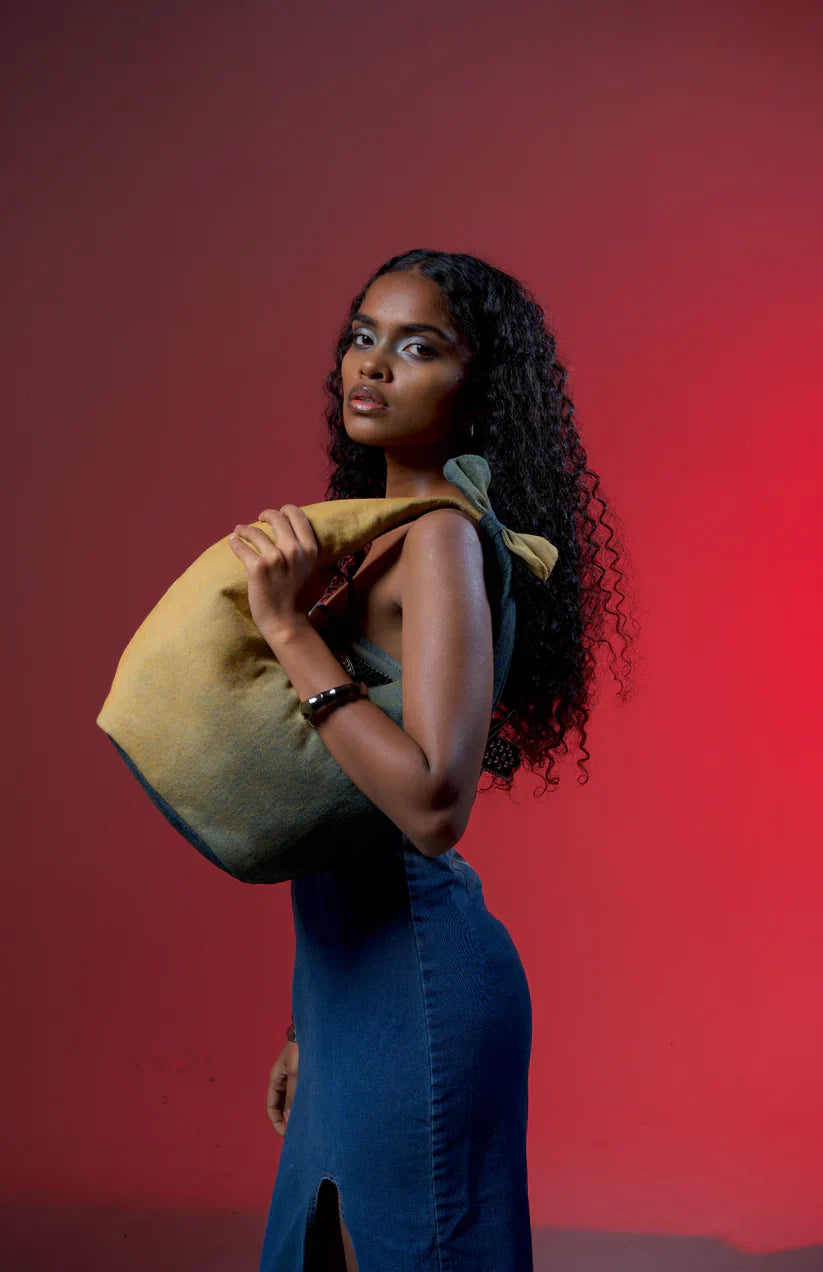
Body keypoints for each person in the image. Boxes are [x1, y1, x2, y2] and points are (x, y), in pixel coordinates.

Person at [228, 249, 636, 1271]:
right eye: (362, 338)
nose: (372, 365)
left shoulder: (442, 540)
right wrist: (308, 1023)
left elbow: (430, 808)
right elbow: (340, 819)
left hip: (418, 989)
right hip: (350, 992)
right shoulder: (377, 538)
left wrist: (289, 632)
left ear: (477, 387)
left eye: (417, 348)